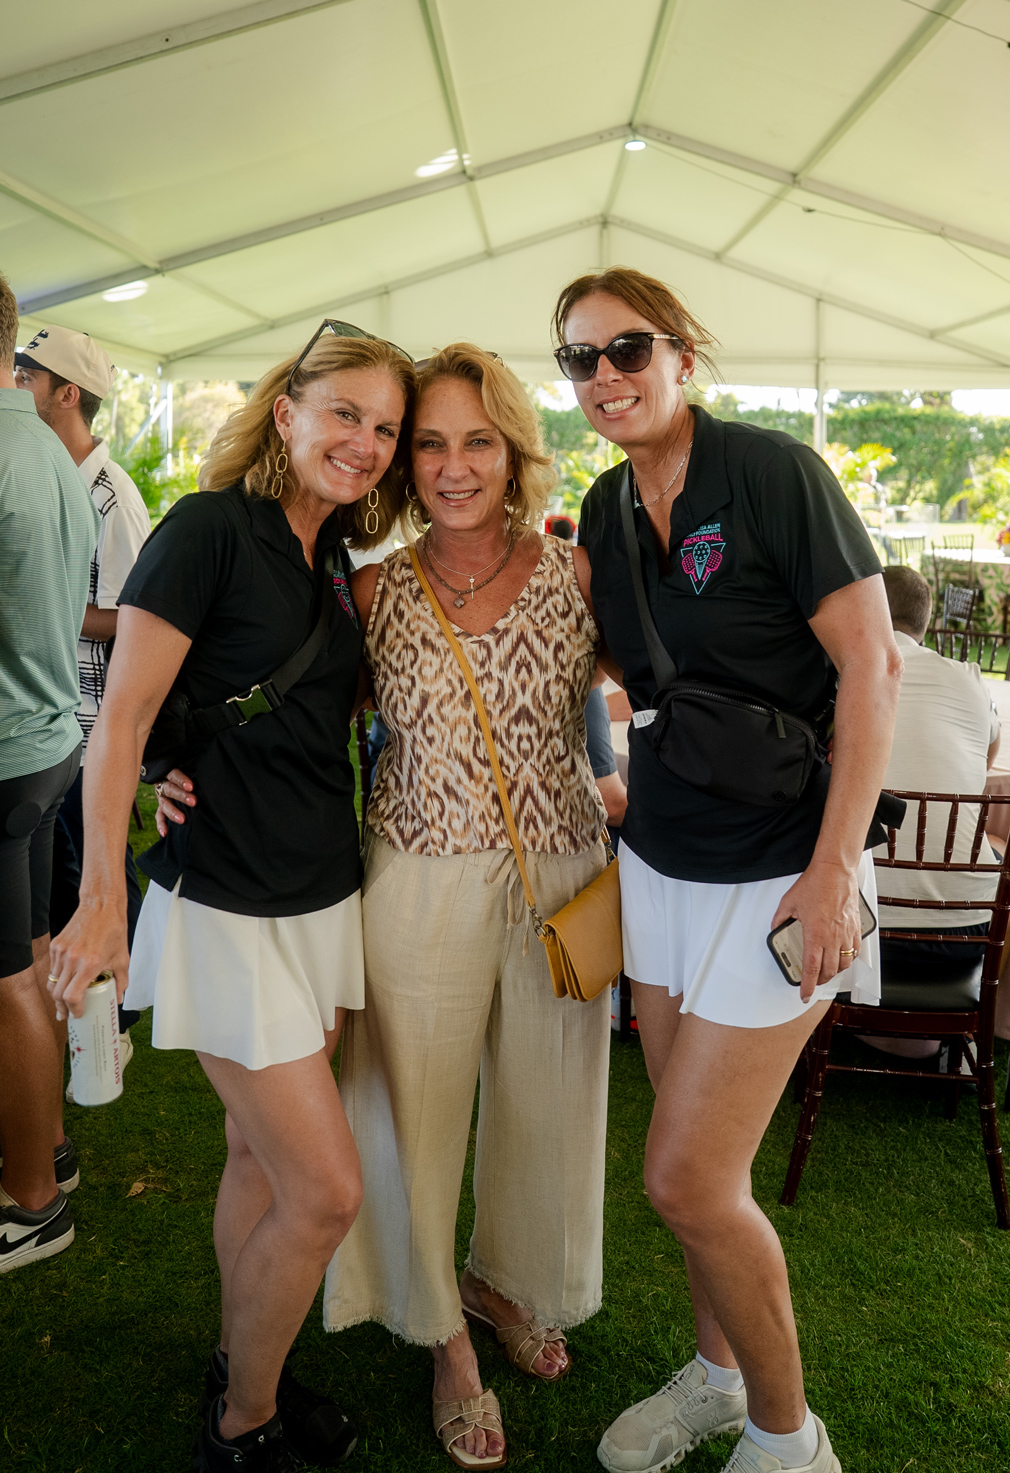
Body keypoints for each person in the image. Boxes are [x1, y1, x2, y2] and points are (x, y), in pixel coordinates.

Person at [162, 344, 614, 1466]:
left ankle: (504, 1282)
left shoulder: (579, 574)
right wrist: (169, 762)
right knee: (414, 1114)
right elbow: (283, 708)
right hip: (415, 874)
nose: (454, 466)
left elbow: (660, 684)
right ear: (408, 464)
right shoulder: (372, 590)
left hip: (563, 875)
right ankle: (443, 1339)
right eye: (431, 443)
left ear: (514, 452)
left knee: (547, 1106)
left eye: (478, 441)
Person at [48, 322, 415, 1473]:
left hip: (322, 899)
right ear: (287, 410)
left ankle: (239, 1359)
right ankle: (241, 1428)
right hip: (227, 908)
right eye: (345, 412)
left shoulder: (335, 560)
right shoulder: (208, 530)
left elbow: (262, 716)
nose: (364, 441)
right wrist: (101, 897)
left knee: (257, 1162)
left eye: (384, 427)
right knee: (324, 1192)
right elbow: (120, 720)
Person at [557, 267, 902, 1473]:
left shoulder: (770, 473)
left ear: (679, 356)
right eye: (580, 359)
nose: (605, 375)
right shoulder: (603, 506)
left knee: (687, 1181)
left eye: (627, 348)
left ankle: (786, 1440)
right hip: (660, 866)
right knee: (700, 1166)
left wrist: (833, 869)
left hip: (781, 870)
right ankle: (714, 1378)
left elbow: (871, 667)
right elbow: (620, 667)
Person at [15, 325, 151, 1070]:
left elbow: (137, 619)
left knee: (97, 872)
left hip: (95, 722)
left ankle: (116, 1021)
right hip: (54, 718)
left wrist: (46, 609)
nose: (15, 385)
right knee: (65, 878)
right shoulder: (48, 472)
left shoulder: (111, 496)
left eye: (27, 376)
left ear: (67, 394)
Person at [0, 272, 100, 1269]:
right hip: (43, 740)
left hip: (9, 750)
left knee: (9, 983)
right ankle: (49, 1150)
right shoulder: (41, 444)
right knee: (25, 961)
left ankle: (31, 1200)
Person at [864, 565, 1001, 1061]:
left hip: (862, 929)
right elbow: (985, 765)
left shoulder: (844, 672)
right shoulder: (969, 677)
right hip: (970, 934)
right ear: (924, 623)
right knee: (992, 849)